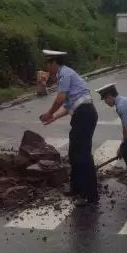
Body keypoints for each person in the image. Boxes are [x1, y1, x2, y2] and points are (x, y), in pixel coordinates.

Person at [39, 50, 98, 206]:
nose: (46, 67)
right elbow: (67, 106)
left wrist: (49, 112)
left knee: (82, 156)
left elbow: (60, 98)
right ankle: (76, 188)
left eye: (47, 63)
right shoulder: (63, 75)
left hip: (84, 114)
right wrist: (53, 117)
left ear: (54, 63)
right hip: (81, 114)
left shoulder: (64, 73)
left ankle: (89, 195)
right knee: (74, 154)